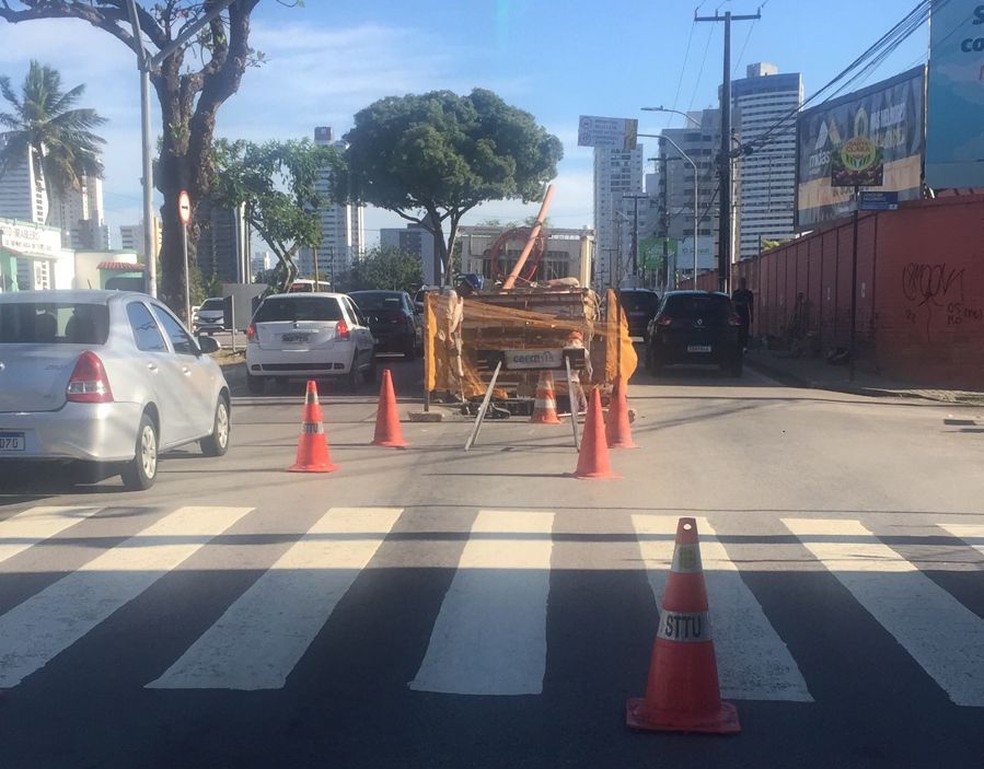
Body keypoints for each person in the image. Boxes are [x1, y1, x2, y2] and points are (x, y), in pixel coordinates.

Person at [731, 277, 754, 352]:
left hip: (745, 314)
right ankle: (738, 346)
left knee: (745, 331)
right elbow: (732, 304)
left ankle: (744, 346)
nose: (742, 285)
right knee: (738, 331)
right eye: (741, 283)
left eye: (744, 283)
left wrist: (752, 315)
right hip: (737, 315)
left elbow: (751, 305)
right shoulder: (736, 293)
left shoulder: (749, 293)